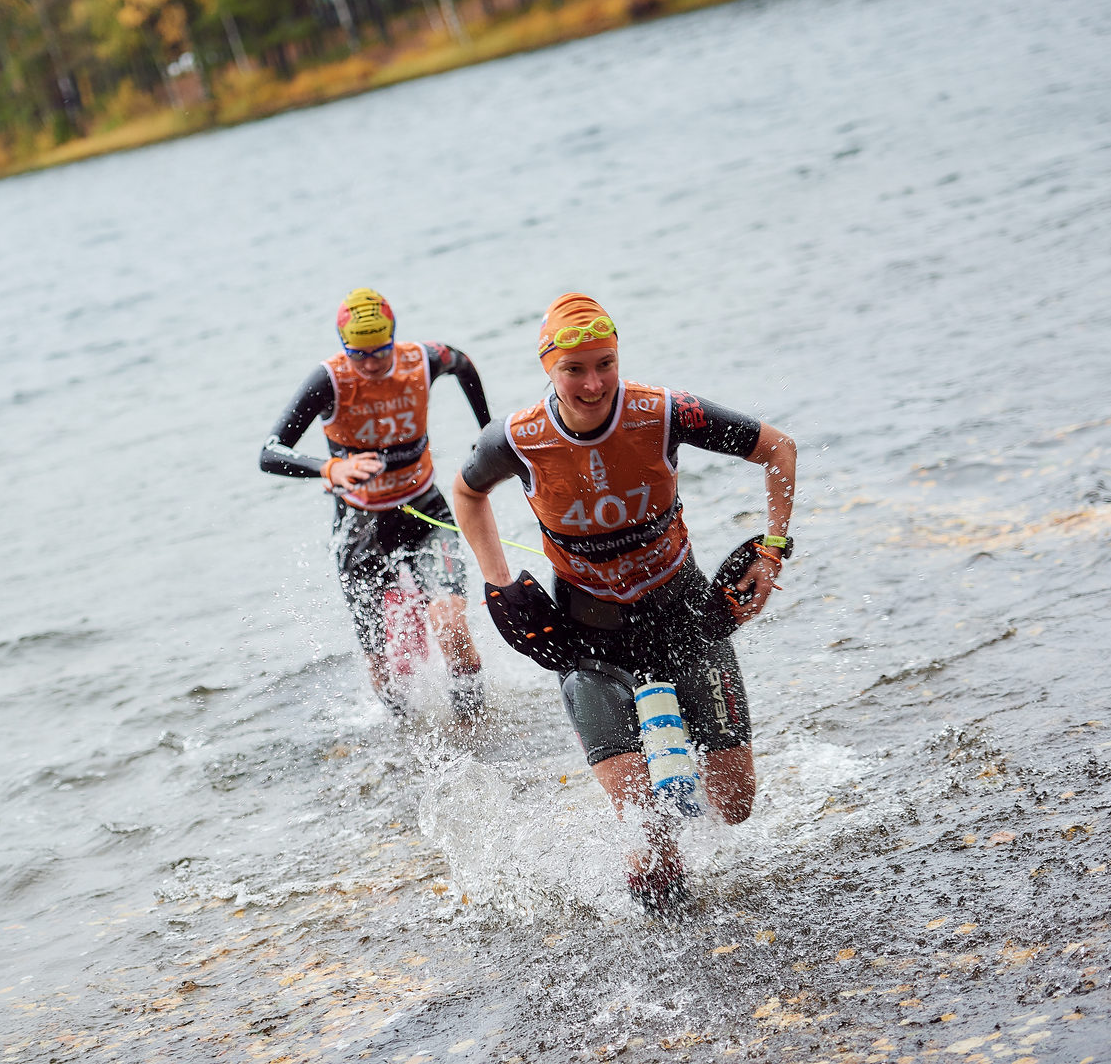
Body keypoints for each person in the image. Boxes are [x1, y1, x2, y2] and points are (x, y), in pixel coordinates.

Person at [451, 293, 797, 916]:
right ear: (548, 370)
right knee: (649, 836)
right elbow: (466, 492)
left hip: (686, 615)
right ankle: (668, 951)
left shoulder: (667, 414)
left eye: (604, 363)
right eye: (574, 369)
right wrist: (497, 583)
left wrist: (771, 552)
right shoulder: (516, 439)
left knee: (736, 804)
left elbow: (779, 449)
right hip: (588, 636)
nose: (593, 383)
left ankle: (675, 763)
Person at [260, 287, 495, 719]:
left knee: (451, 627)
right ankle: (404, 736)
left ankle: (475, 728)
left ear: (393, 338)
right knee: (381, 662)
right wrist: (328, 469)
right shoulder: (328, 380)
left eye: (379, 352)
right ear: (344, 346)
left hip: (425, 510)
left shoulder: (423, 359)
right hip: (359, 525)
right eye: (359, 354)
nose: (369, 364)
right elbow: (270, 453)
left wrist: (485, 430)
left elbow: (463, 363)